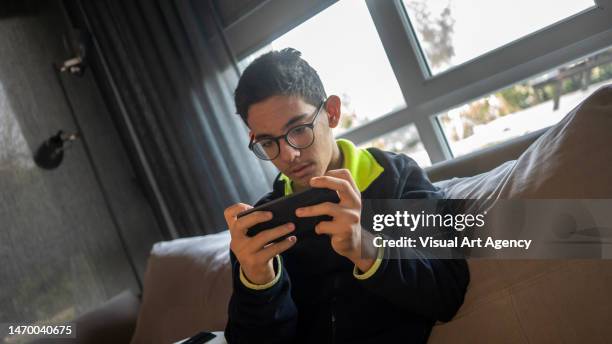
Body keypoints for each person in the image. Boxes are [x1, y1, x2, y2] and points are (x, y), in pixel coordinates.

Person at [223, 48, 469, 343]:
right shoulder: (260, 223)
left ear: (332, 112)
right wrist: (258, 283)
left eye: (299, 129)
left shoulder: (396, 178)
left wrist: (364, 247)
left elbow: (447, 292)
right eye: (267, 142)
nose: (289, 154)